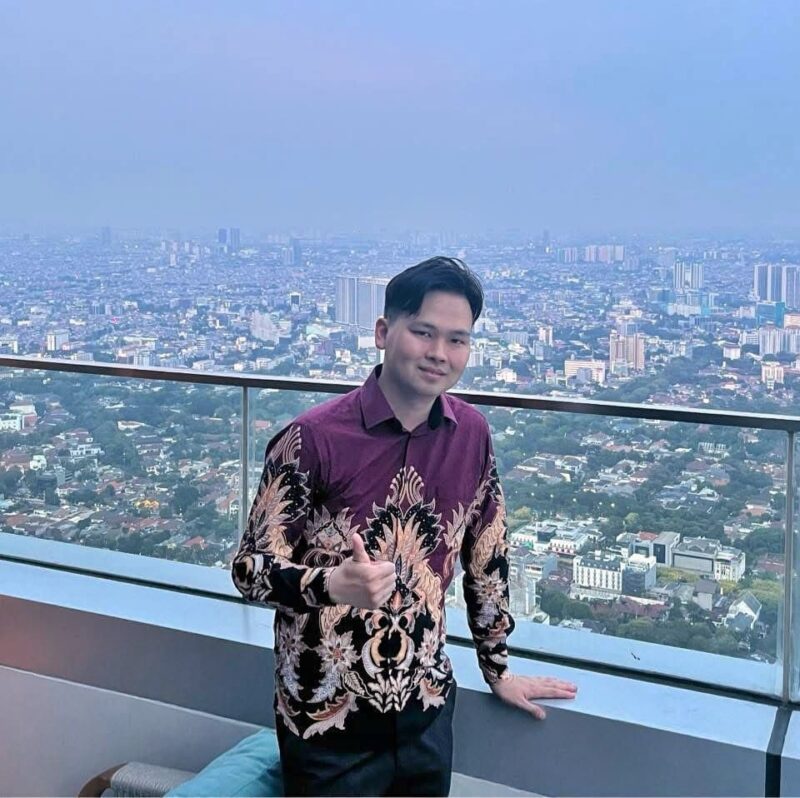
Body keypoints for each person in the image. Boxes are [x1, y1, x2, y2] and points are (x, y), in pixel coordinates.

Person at [232, 256, 577, 796]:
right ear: (382, 333)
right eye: (423, 332)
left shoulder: (472, 435)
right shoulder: (313, 440)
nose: (440, 353)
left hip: (426, 711)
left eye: (457, 340)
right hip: (326, 722)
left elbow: (487, 558)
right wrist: (332, 584)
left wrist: (498, 670)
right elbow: (250, 570)